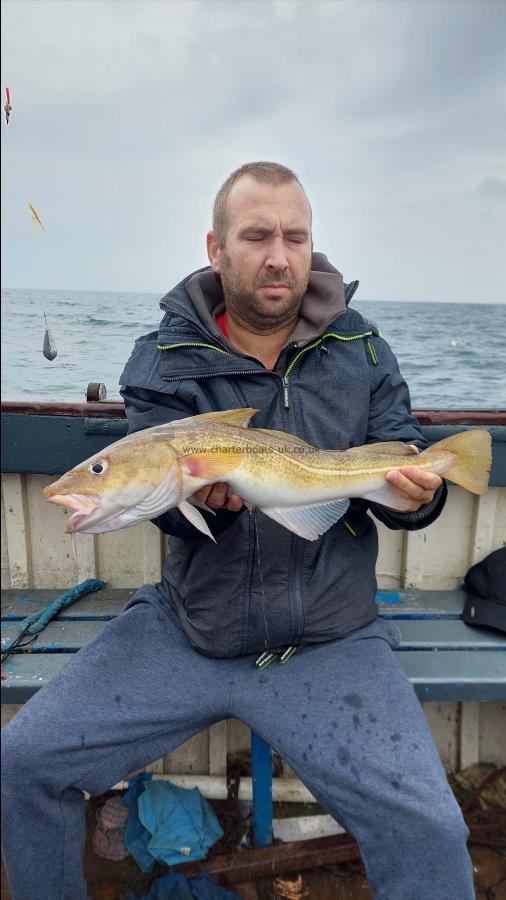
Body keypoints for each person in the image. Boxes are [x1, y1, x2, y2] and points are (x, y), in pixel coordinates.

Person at [1, 162, 474, 899]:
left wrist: (415, 499)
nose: (279, 255)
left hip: (331, 636)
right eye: (256, 236)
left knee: (433, 831)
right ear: (217, 247)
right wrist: (204, 503)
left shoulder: (363, 346)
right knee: (22, 762)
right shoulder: (163, 357)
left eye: (296, 236)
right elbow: (160, 501)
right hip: (192, 628)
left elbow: (401, 460)